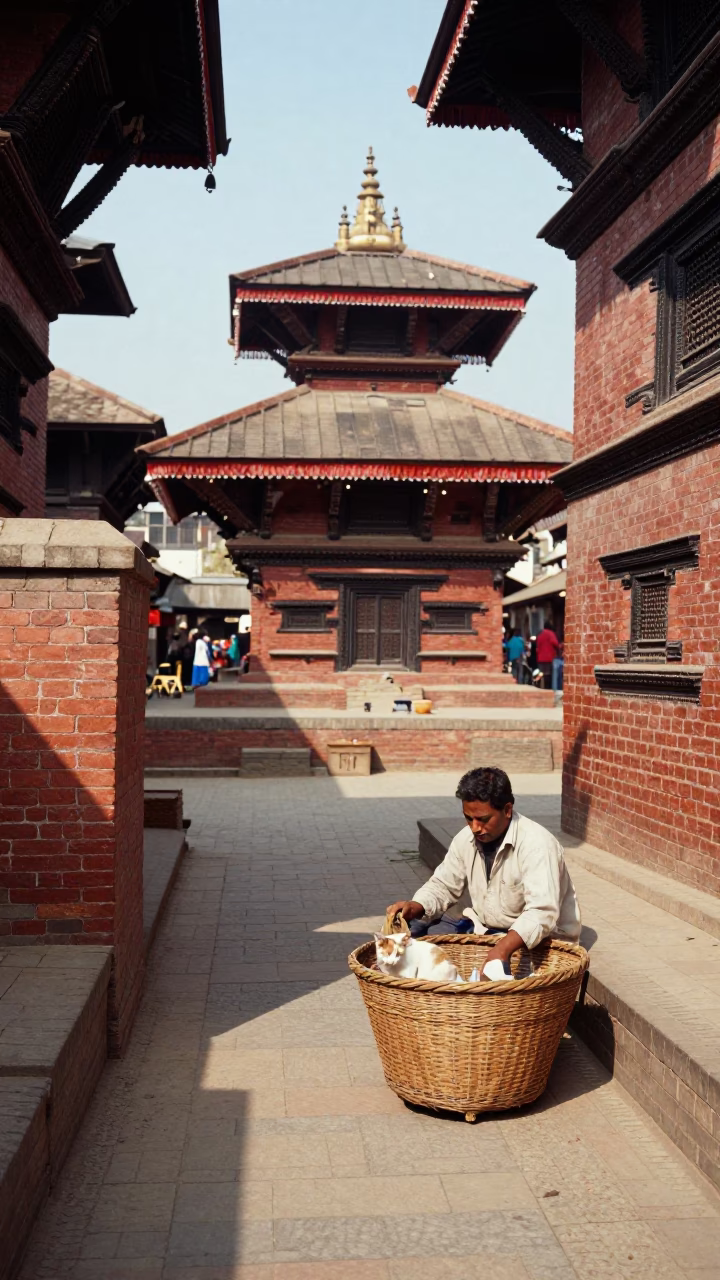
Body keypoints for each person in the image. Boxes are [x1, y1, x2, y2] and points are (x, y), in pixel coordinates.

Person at [386, 766, 581, 971]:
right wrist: (415, 906)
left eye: (483, 819)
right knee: (413, 935)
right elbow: (443, 885)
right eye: (469, 818)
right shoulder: (465, 838)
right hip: (485, 931)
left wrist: (501, 950)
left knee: (492, 971)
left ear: (507, 810)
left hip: (536, 942)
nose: (475, 827)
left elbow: (542, 913)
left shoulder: (538, 845)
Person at [536, 620, 561, 689]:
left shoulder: (540, 634)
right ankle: (547, 688)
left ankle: (540, 687)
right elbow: (555, 643)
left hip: (540, 658)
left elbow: (537, 645)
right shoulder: (551, 634)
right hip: (548, 658)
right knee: (548, 675)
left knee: (541, 674)